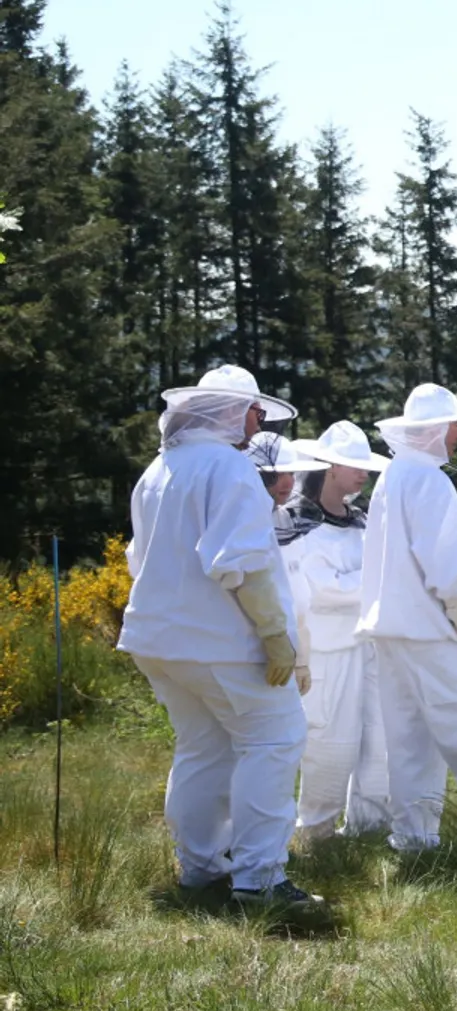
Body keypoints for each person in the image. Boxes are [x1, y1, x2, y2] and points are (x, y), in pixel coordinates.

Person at [116, 365, 323, 915]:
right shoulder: (229, 468)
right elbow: (240, 563)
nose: (259, 420)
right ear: (231, 411)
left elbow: (139, 557)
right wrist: (277, 636)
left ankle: (202, 870)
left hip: (157, 639)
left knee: (202, 748)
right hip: (220, 642)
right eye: (255, 409)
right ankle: (260, 880)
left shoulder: (158, 469)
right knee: (274, 738)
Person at [357, 383, 457, 850]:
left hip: (390, 632)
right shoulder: (429, 481)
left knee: (410, 743)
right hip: (428, 631)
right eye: (456, 423)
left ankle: (414, 841)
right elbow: (453, 574)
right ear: (435, 429)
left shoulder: (393, 476)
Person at [284, 421, 391, 845]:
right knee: (331, 743)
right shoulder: (300, 524)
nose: (362, 473)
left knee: (378, 740)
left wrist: (366, 581)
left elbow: (354, 584)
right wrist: (378, 576)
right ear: (328, 465)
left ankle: (369, 827)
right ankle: (317, 833)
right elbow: (323, 589)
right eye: (352, 465)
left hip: (368, 645)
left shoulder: (361, 521)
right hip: (327, 650)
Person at [244, 432, 327, 544]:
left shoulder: (287, 520)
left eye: (291, 473)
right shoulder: (237, 516)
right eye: (279, 474)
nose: (288, 483)